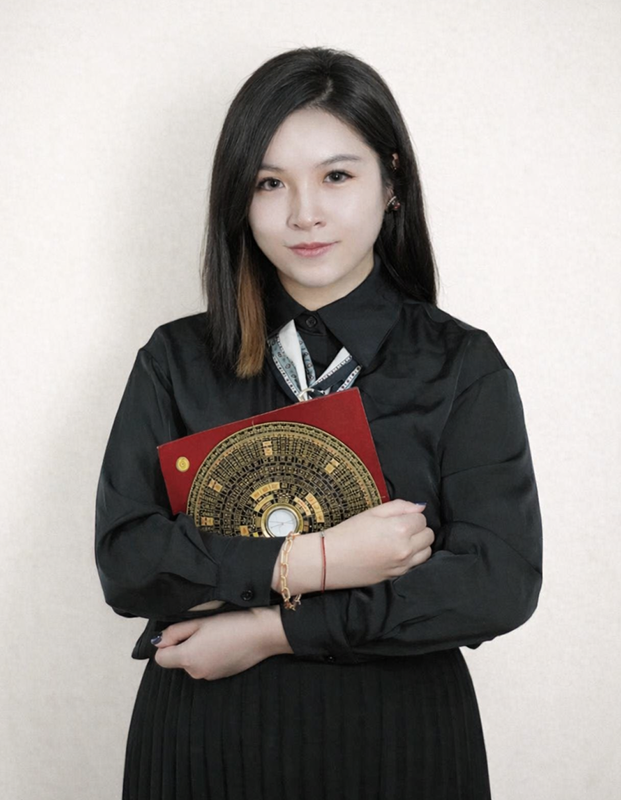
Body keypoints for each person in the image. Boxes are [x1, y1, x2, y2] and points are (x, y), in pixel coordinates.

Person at [95, 46, 543, 800]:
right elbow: (128, 563)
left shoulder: (459, 365)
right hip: (206, 745)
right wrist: (317, 561)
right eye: (269, 182)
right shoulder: (176, 360)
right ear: (238, 198)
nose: (304, 213)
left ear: (391, 182)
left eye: (336, 176)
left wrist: (269, 631)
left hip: (400, 745)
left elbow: (496, 584)